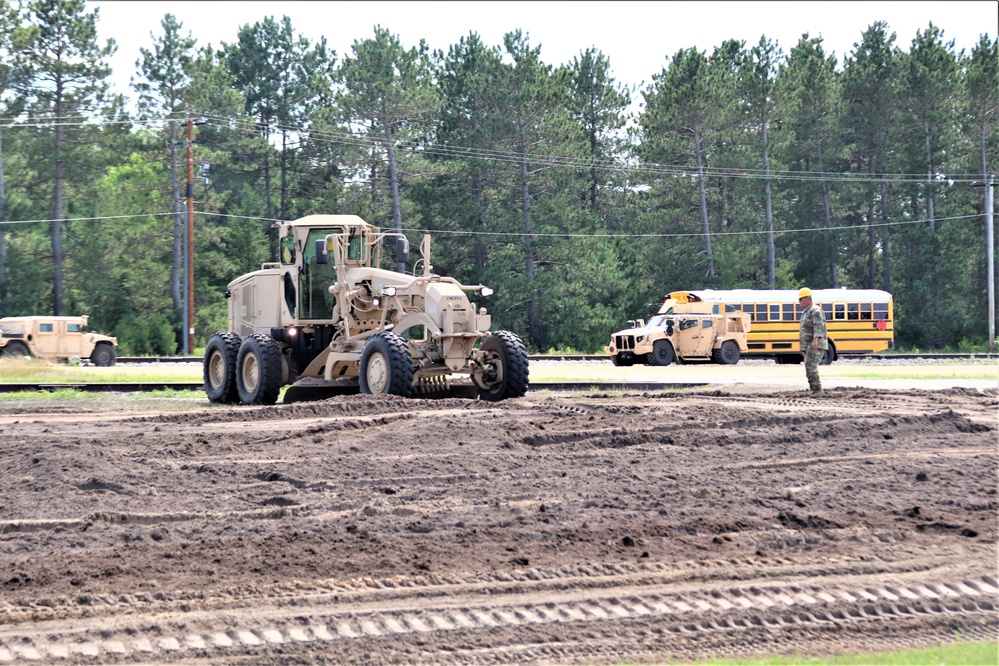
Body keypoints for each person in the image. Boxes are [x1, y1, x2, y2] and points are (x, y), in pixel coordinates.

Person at [798, 287, 827, 397]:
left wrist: (816, 341)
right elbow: (804, 331)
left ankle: (817, 390)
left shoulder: (815, 310)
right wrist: (803, 348)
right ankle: (815, 389)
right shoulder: (806, 312)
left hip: (816, 344)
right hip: (809, 344)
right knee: (809, 366)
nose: (799, 302)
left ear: (807, 299)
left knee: (811, 366)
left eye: (801, 299)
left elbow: (819, 326)